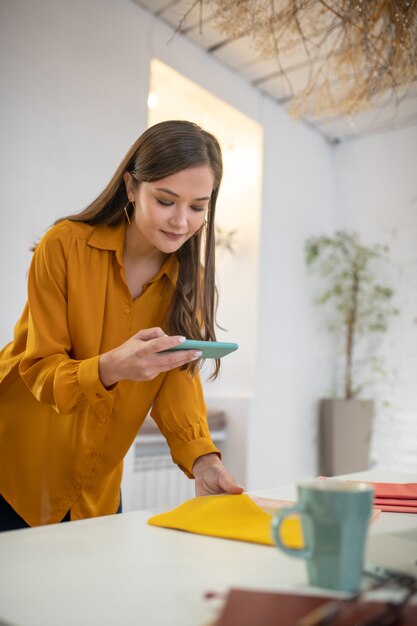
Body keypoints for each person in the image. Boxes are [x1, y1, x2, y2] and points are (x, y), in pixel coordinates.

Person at [0, 120, 243, 532]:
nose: (181, 221)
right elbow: (40, 369)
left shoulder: (190, 279)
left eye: (198, 207)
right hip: (14, 473)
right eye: (166, 201)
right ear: (131, 187)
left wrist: (203, 459)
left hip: (94, 488)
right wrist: (114, 366)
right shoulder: (63, 246)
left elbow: (177, 379)